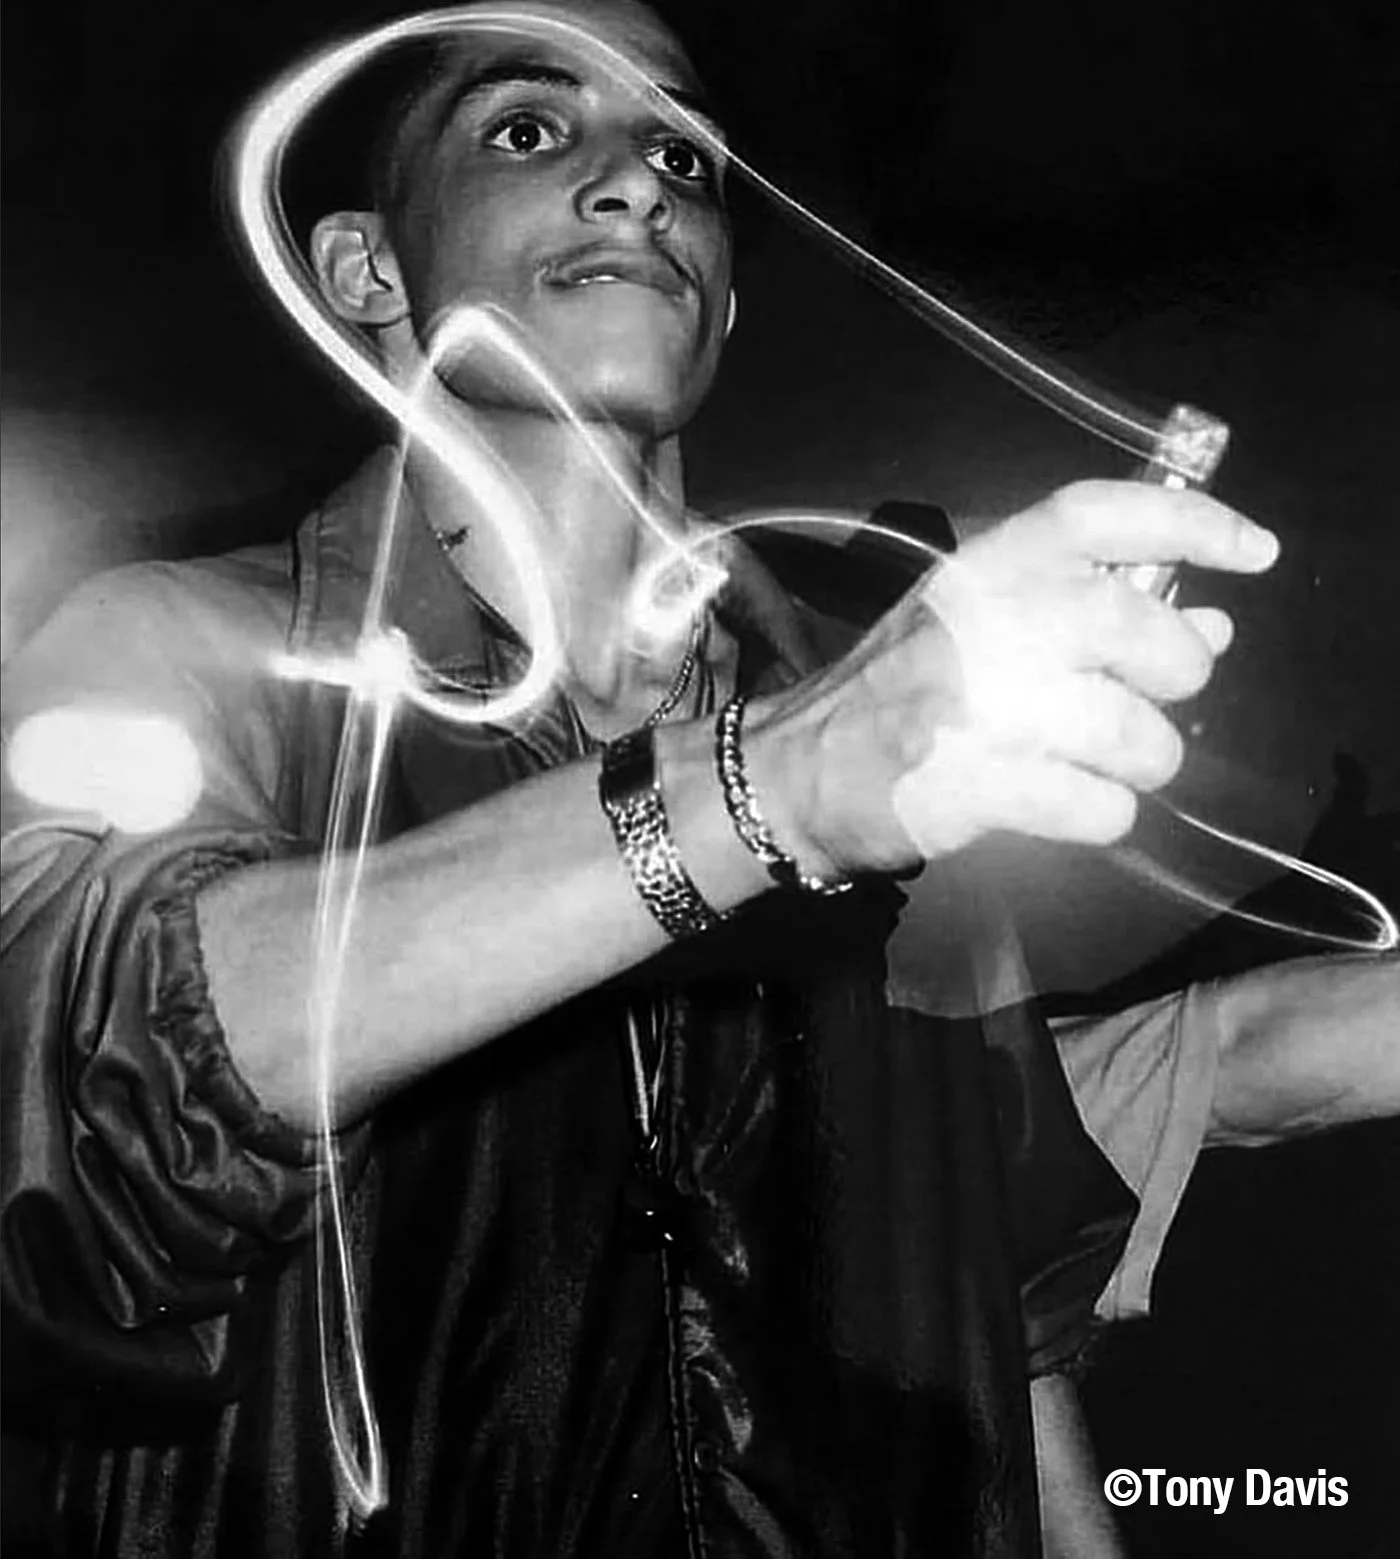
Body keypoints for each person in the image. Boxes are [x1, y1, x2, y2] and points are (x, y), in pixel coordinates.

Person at [6, 2, 1361, 1555]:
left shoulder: (913, 764)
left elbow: (991, 1315)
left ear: (723, 306)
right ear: (366, 269)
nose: (643, 184)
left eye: (682, 155)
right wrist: (766, 788)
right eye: (528, 128)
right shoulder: (183, 650)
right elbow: (87, 1085)